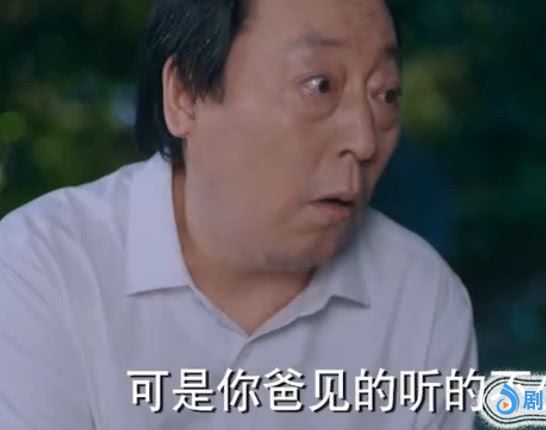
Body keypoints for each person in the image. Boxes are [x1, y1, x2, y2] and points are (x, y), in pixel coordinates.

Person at [0, 0, 477, 428]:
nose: (364, 139)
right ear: (185, 94)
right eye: (320, 86)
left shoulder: (422, 300)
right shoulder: (40, 272)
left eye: (386, 94)